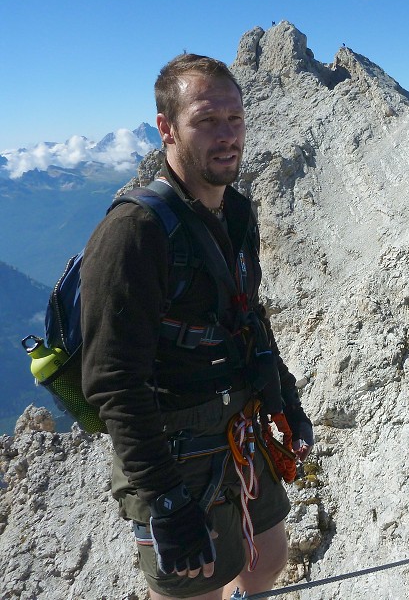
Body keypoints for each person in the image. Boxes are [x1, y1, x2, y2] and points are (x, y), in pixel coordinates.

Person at [81, 54, 314, 600]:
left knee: (268, 555)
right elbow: (112, 381)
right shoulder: (134, 234)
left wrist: (285, 397)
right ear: (166, 128)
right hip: (172, 445)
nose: (227, 135)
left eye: (234, 119)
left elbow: (246, 315)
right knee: (196, 586)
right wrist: (165, 500)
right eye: (207, 120)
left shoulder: (235, 213)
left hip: (239, 424)